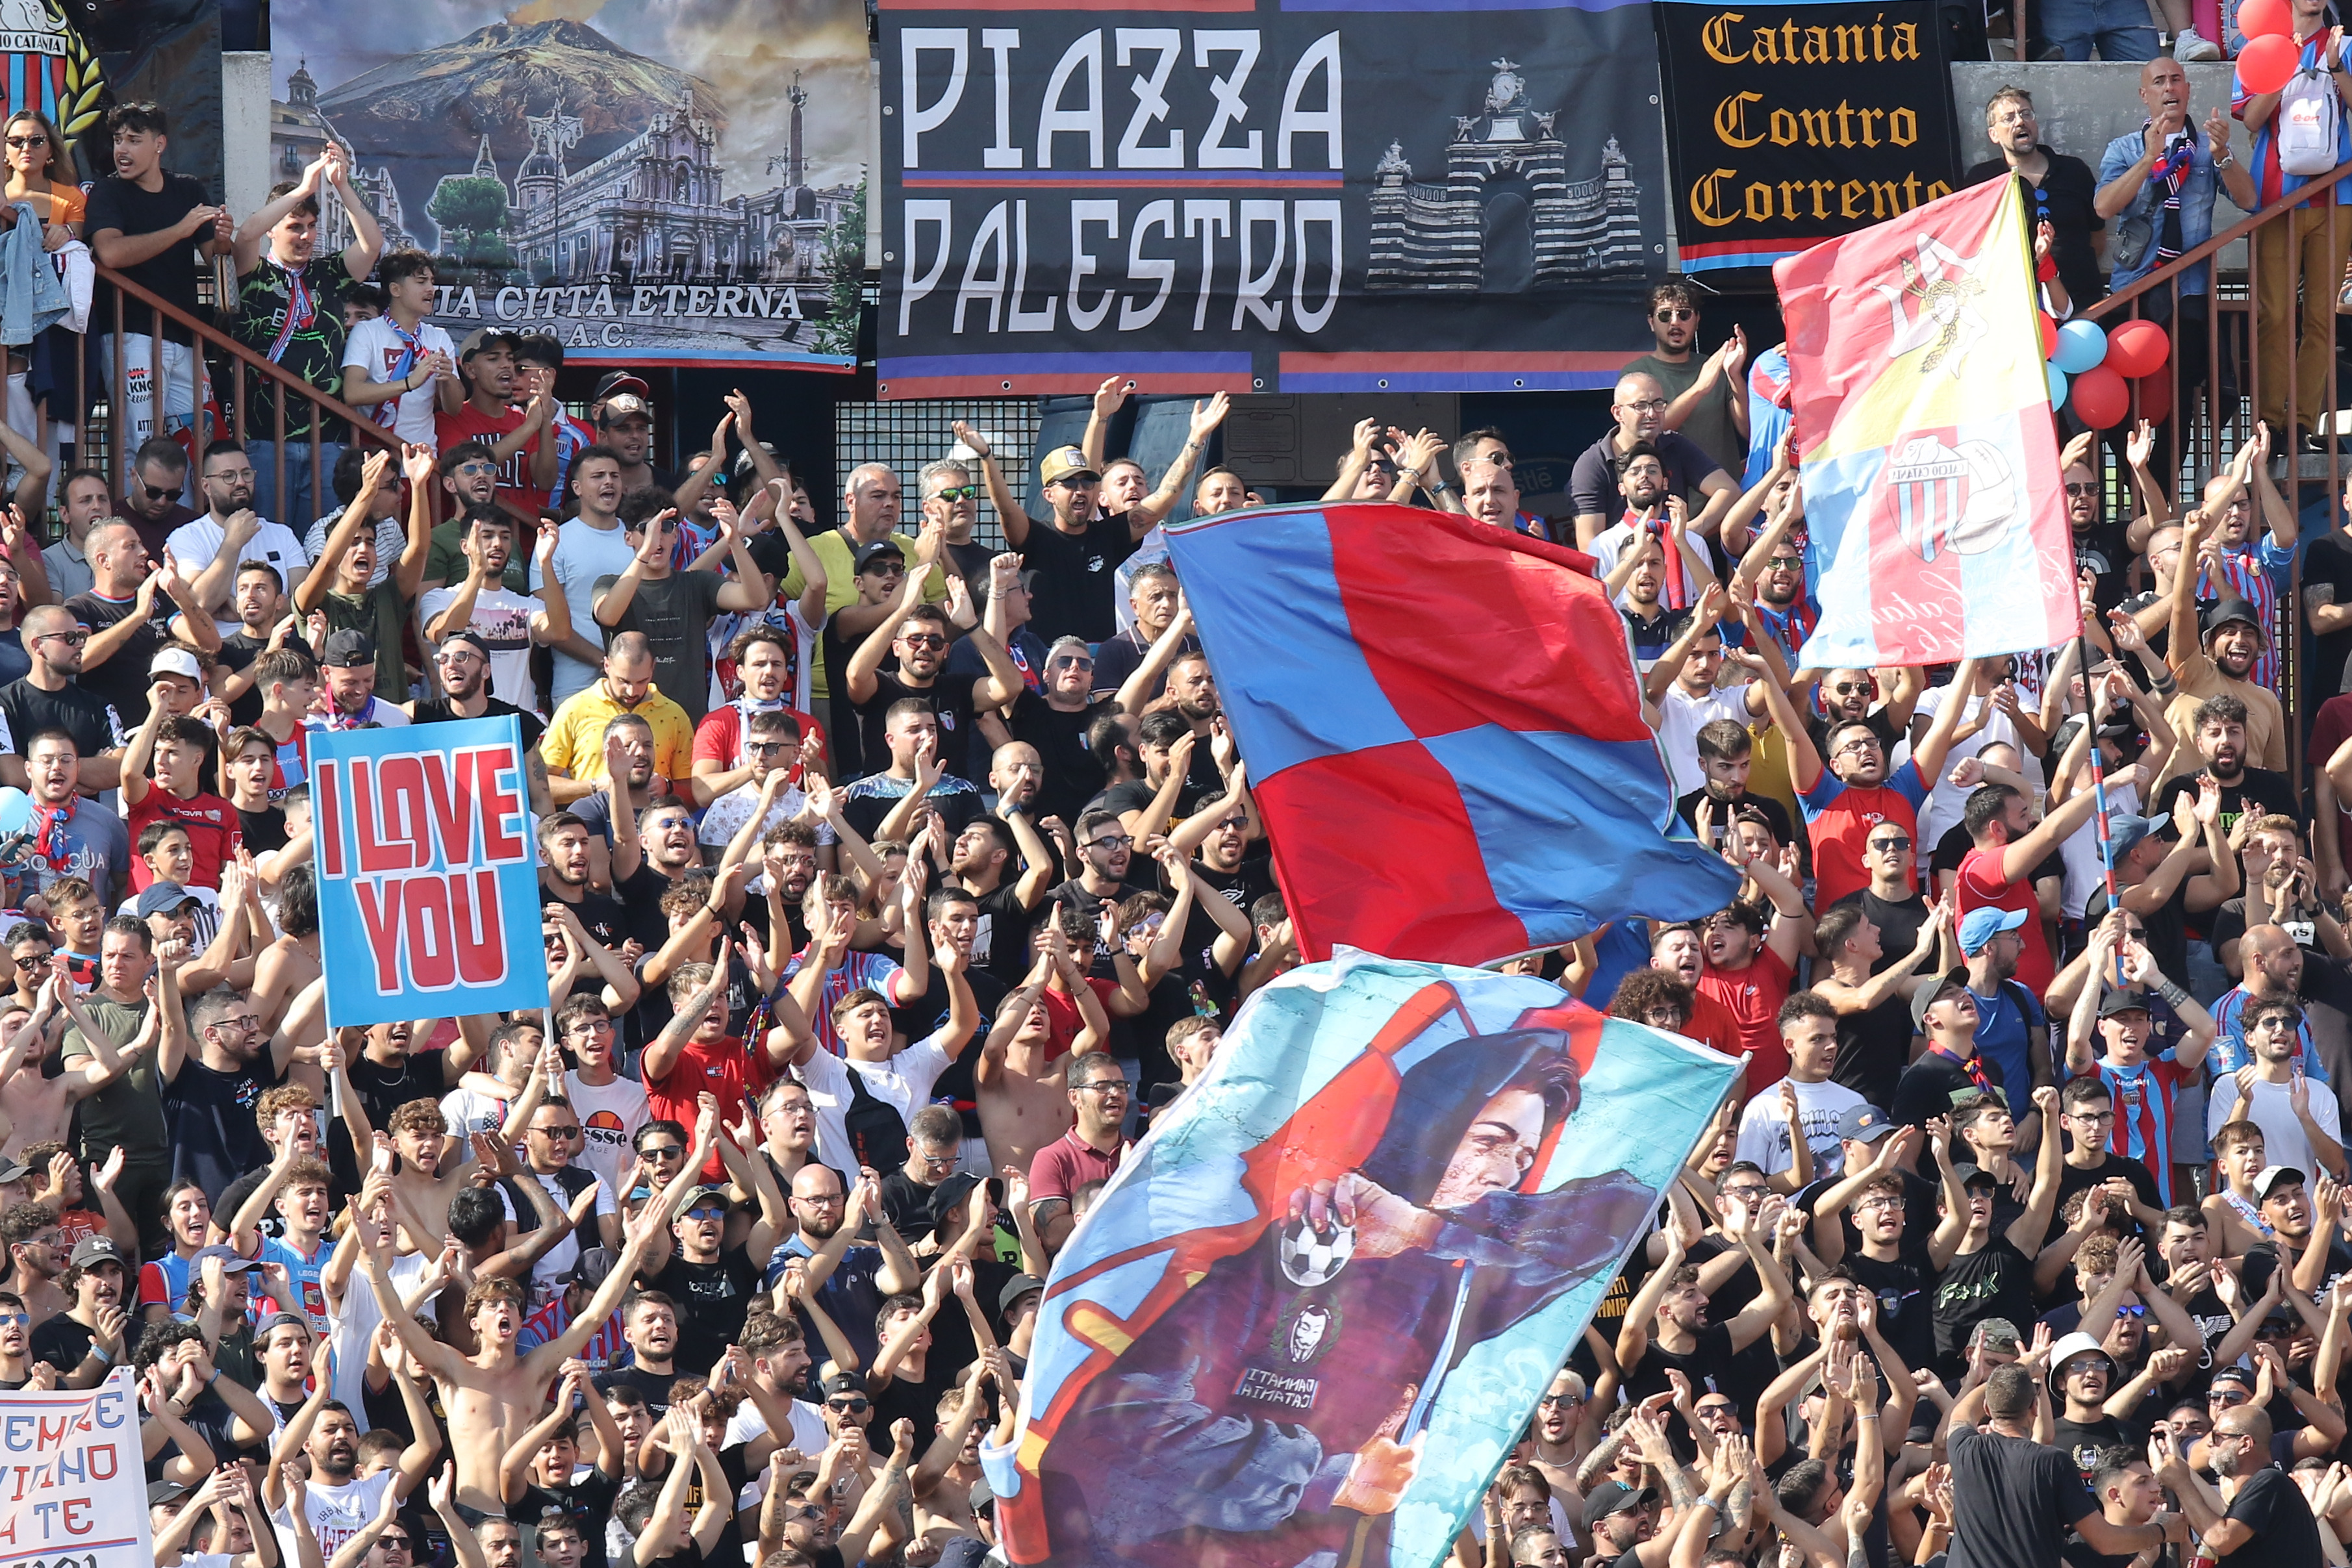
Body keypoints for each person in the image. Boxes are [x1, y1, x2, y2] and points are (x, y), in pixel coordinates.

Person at [227, 147, 385, 527]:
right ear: (273, 229)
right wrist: (302, 189)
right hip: (264, 435)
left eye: (312, 226)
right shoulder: (253, 273)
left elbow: (372, 244)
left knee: (322, 540)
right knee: (268, 540)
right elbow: (245, 235)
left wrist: (341, 186)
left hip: (327, 437)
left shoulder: (329, 274)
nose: (306, 236)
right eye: (295, 226)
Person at [84, 103, 233, 493]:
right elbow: (110, 253)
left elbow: (216, 258)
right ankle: (136, 525)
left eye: (134, 140)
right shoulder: (107, 191)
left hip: (186, 339)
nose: (122, 150)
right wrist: (180, 230)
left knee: (200, 441)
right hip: (131, 335)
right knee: (141, 445)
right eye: (118, 140)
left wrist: (224, 238)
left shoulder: (188, 188)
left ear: (160, 144)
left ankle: (188, 525)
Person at [1968, 86, 2106, 310]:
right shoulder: (1982, 180)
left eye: (2026, 114)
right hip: (2013, 308)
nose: (2020, 122)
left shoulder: (2074, 170)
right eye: (2009, 118)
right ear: (1993, 134)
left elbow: (2098, 237)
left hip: (2083, 304)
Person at [1619, 283, 1747, 481]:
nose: (1675, 322)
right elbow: (1649, 432)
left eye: (1684, 314)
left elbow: (1748, 431)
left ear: (1697, 320)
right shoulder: (1637, 375)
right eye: (1665, 315)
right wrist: (1699, 388)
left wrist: (1735, 375)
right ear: (1651, 322)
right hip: (1667, 494)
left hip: (1726, 494)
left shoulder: (1715, 366)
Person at [338, 248, 460, 448]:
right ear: (396, 290)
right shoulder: (367, 331)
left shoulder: (439, 337)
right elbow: (352, 393)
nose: (431, 289)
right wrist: (409, 383)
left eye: (432, 282)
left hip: (421, 456)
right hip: (374, 455)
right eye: (421, 282)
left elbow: (454, 409)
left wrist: (448, 380)